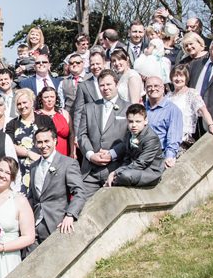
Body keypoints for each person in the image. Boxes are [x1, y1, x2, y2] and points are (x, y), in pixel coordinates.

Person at [75, 70, 129, 208]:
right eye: (102, 85)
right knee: (83, 210)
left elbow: (129, 137)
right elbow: (82, 135)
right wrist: (90, 155)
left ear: (116, 84)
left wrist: (112, 154)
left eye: (109, 84)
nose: (105, 88)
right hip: (90, 172)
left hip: (115, 169)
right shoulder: (89, 108)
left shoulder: (128, 108)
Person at [27, 127, 83, 251]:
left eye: (47, 141)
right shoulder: (33, 167)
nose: (43, 146)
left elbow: (79, 192)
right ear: (35, 144)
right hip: (34, 226)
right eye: (39, 142)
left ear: (55, 141)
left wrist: (70, 215)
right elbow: (31, 196)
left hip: (56, 223)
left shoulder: (68, 163)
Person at [105, 103, 165, 188]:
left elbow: (142, 163)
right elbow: (127, 157)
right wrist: (118, 170)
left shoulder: (151, 138)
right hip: (134, 168)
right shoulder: (129, 134)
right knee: (108, 172)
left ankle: (113, 182)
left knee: (125, 176)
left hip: (150, 171)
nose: (133, 125)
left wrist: (116, 172)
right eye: (130, 121)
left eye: (138, 121)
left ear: (146, 121)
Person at [5, 88, 53, 194]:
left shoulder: (45, 120)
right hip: (21, 170)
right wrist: (28, 153)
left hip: (43, 166)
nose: (22, 106)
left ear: (32, 102)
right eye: (19, 104)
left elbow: (53, 141)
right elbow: (9, 145)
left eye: (25, 102)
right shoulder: (12, 124)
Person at [168, 64, 213, 149]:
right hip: (168, 137)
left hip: (183, 139)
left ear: (186, 78)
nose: (178, 79)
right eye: (175, 76)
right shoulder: (168, 96)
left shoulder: (191, 93)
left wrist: (211, 125)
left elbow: (203, 110)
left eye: (181, 76)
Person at [143, 76, 184, 169]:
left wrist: (169, 157)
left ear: (163, 88)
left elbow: (173, 137)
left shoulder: (172, 110)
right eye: (149, 86)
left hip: (159, 157)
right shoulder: (142, 109)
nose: (153, 89)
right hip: (142, 155)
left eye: (156, 86)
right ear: (145, 89)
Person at [36, 88, 70, 157]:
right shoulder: (36, 114)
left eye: (52, 97)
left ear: (56, 98)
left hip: (64, 152)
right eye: (46, 97)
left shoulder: (64, 113)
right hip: (43, 152)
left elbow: (72, 135)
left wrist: (73, 151)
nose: (49, 99)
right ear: (41, 99)